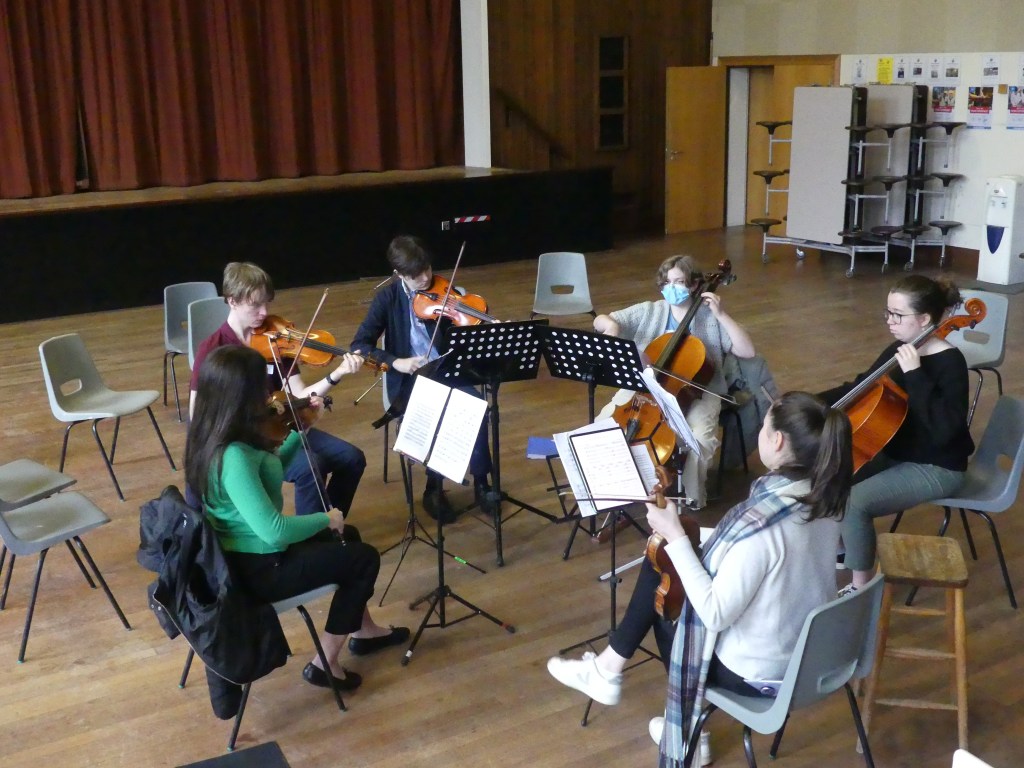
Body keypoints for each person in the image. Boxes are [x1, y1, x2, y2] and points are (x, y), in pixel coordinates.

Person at [547, 392, 852, 767]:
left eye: (763, 425)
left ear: (777, 441)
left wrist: (676, 537)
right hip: (812, 654)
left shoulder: (760, 529)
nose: (759, 431)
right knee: (667, 558)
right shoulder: (826, 498)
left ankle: (685, 729)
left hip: (761, 673)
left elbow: (714, 613)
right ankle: (607, 669)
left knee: (667, 595)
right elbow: (767, 559)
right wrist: (680, 537)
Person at [185, 345, 409, 695]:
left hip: (245, 555)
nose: (267, 394)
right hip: (256, 570)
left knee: (349, 536)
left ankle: (363, 631)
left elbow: (269, 468)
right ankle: (325, 664)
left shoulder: (215, 434)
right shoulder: (233, 456)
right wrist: (325, 518)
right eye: (260, 387)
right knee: (363, 558)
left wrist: (301, 428)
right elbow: (274, 532)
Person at [820, 275, 974, 592]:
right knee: (832, 473)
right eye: (888, 312)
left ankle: (861, 587)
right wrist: (810, 402)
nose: (890, 321)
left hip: (937, 465)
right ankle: (845, 549)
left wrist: (915, 374)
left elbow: (946, 432)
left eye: (898, 315)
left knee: (855, 502)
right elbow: (860, 386)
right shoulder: (899, 348)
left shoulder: (950, 362)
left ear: (925, 319)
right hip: (897, 450)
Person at [189, 262, 367, 518]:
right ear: (232, 301)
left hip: (281, 425)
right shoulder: (213, 349)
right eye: (255, 305)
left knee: (352, 458)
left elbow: (300, 394)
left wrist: (336, 374)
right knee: (311, 467)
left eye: (267, 303)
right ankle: (313, 535)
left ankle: (329, 528)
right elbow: (197, 415)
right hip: (245, 439)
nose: (264, 312)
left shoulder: (275, 339)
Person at [593, 254, 756, 509]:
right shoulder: (651, 311)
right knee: (602, 424)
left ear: (694, 284)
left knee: (700, 438)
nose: (671, 288)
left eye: (679, 282)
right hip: (647, 386)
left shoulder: (710, 318)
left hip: (700, 391)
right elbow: (600, 319)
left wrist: (722, 314)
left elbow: (747, 351)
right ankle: (611, 486)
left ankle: (692, 496)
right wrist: (612, 328)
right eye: (667, 283)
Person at [350, 235, 492, 523]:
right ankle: (433, 487)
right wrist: (396, 362)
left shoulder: (446, 290)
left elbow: (467, 338)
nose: (426, 278)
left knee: (477, 408)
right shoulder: (388, 299)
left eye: (427, 268)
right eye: (416, 275)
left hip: (446, 370)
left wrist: (482, 326)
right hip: (409, 380)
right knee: (438, 413)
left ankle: (482, 482)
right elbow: (360, 345)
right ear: (399, 274)